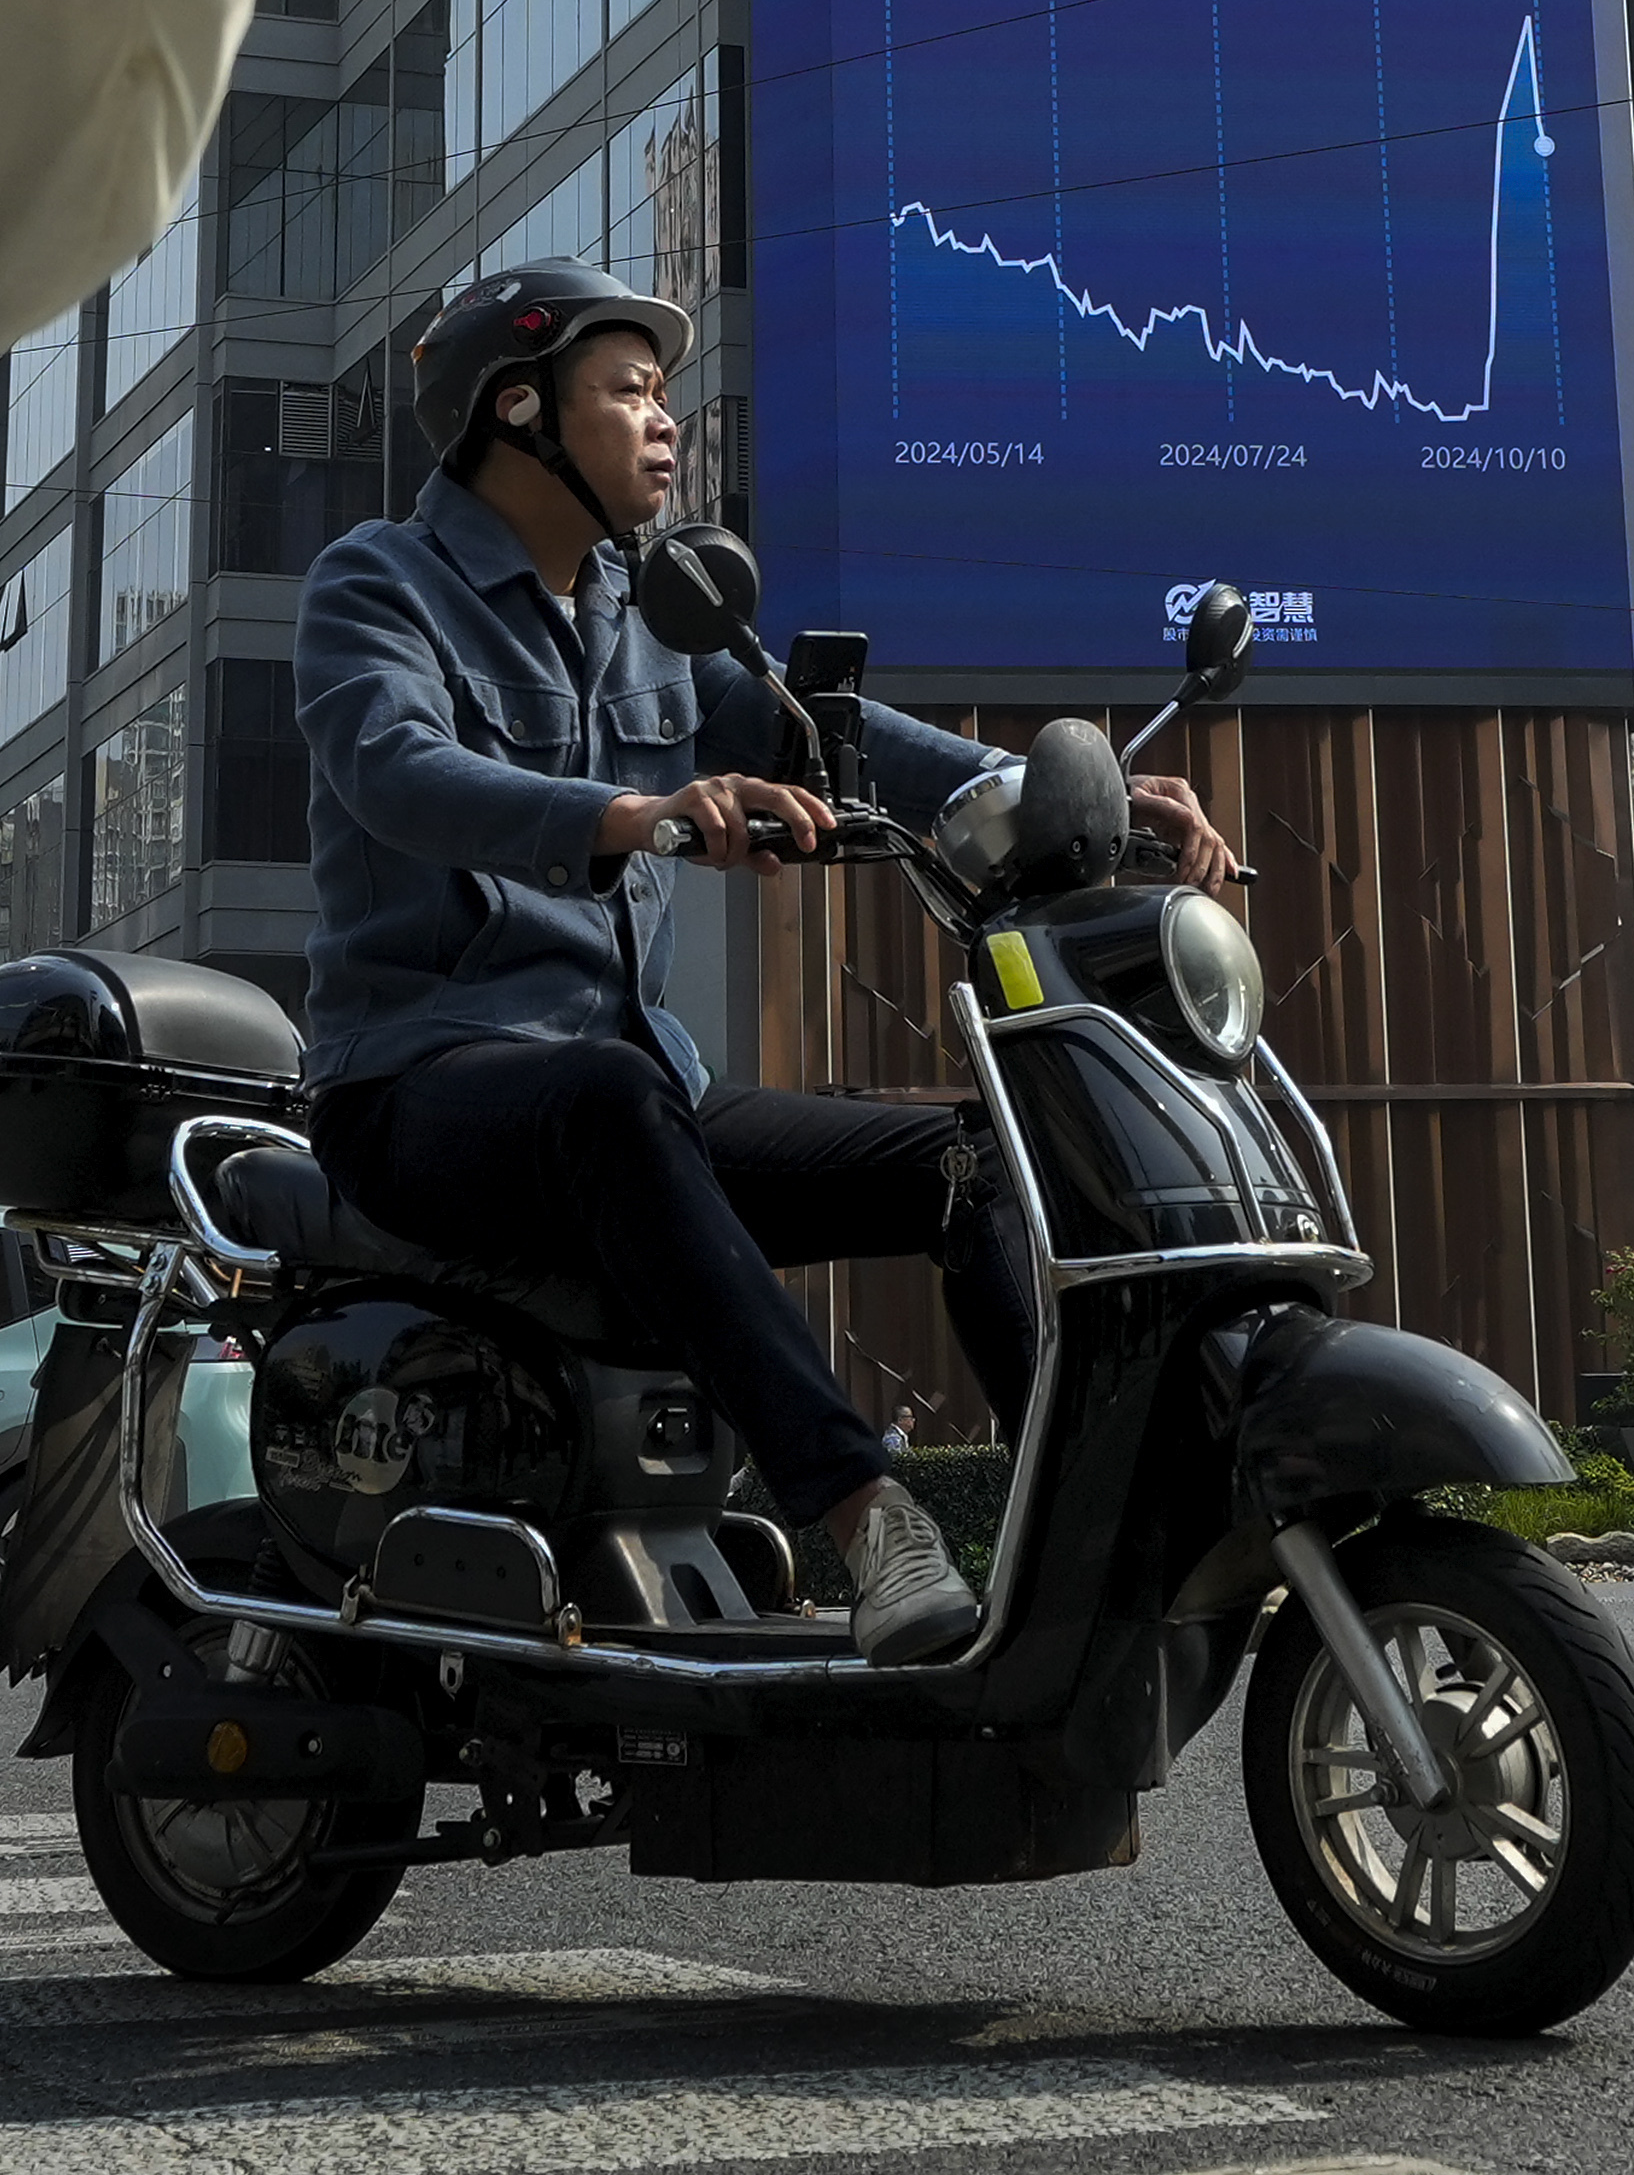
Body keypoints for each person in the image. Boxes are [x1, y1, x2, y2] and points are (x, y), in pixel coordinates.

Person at [292, 268, 1236, 1664]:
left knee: (966, 1164)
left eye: (666, 395)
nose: (665, 422)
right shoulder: (381, 583)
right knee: (611, 1098)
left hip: (629, 1102)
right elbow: (395, 768)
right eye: (629, 391)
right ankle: (866, 1519)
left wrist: (1044, 788)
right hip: (418, 1091)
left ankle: (1099, 1542)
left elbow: (829, 736)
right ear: (517, 409)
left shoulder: (648, 613)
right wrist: (628, 814)